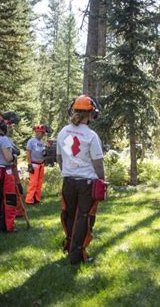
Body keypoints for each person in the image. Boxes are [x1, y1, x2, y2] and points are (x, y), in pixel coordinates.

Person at [57, 95, 105, 264]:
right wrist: (102, 181)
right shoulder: (91, 135)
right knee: (84, 217)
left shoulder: (63, 132)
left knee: (69, 215)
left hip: (68, 181)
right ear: (91, 113)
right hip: (87, 183)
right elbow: (98, 163)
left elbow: (59, 158)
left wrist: (67, 172)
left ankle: (69, 245)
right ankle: (77, 255)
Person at [1, 112, 26, 218]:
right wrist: (14, 153)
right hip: (7, 168)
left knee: (18, 188)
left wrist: (15, 152)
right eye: (9, 125)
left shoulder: (8, 139)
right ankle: (10, 212)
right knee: (11, 190)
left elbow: (16, 150)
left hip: (13, 168)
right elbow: (10, 153)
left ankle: (18, 211)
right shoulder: (1, 139)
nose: (11, 127)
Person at [25, 125, 47, 205]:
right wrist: (29, 164)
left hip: (41, 164)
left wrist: (46, 152)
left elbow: (43, 153)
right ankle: (29, 200)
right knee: (33, 183)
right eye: (38, 132)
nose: (40, 134)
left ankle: (37, 199)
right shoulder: (31, 141)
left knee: (39, 183)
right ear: (36, 132)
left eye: (42, 133)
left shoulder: (42, 143)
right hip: (34, 164)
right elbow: (28, 153)